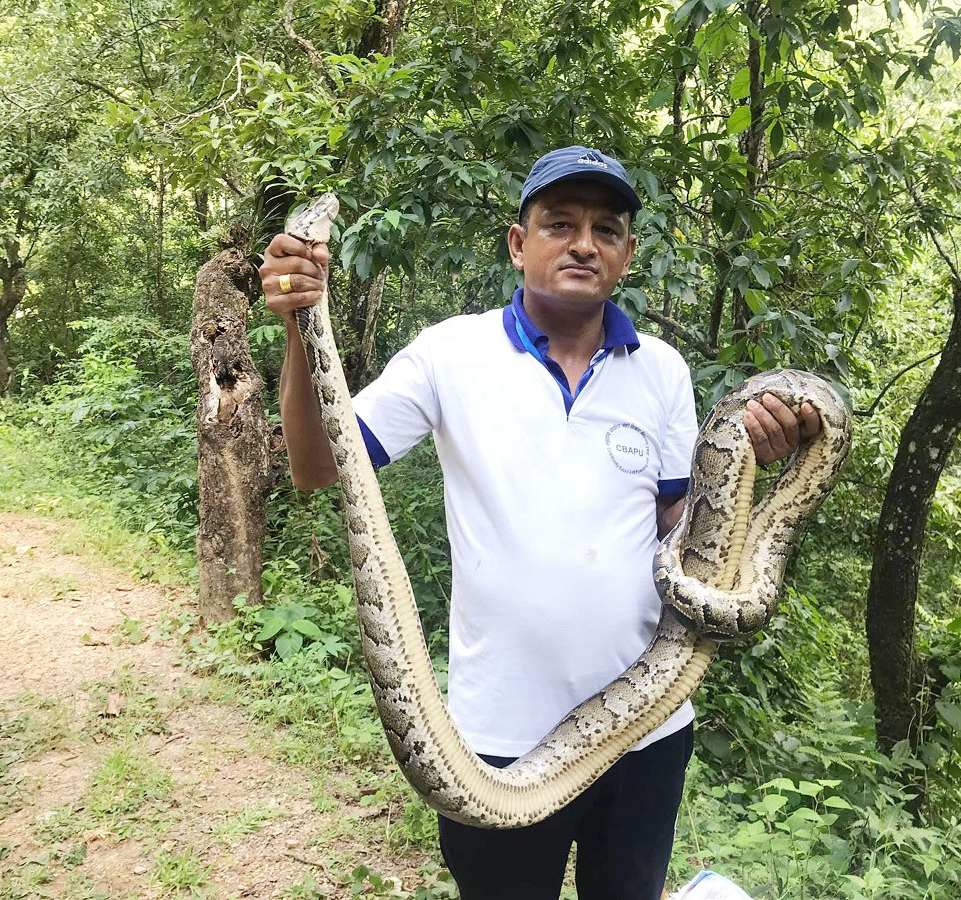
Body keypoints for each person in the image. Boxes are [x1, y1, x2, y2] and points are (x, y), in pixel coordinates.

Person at [260, 146, 819, 899]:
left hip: (647, 728)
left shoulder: (662, 370)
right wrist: (301, 324)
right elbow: (318, 466)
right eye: (560, 224)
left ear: (625, 254)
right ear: (520, 244)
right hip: (494, 741)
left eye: (605, 228)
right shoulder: (449, 354)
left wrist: (756, 462)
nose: (583, 242)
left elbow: (682, 531)